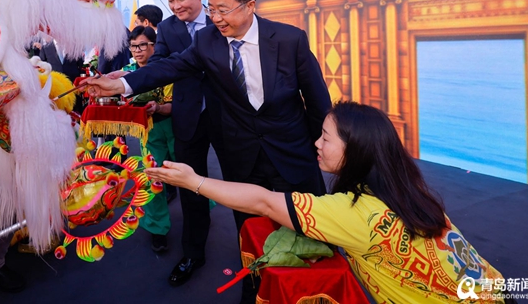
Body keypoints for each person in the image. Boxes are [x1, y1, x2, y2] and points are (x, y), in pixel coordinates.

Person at [87, 0, 331, 296]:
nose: (215, 17)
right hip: (242, 159)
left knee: (308, 234)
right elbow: (169, 67)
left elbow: (318, 103)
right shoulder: (205, 40)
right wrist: (120, 84)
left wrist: (323, 149)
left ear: (250, 5)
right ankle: (256, 291)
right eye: (212, 9)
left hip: (292, 155)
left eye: (223, 9)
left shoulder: (290, 40)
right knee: (252, 235)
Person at [146, 101, 507, 304]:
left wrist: (193, 181)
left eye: (325, 138)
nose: (316, 144)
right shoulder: (411, 191)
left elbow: (264, 203)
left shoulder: (356, 215)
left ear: (356, 151)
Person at [109, 0, 224, 287]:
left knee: (245, 182)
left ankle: (252, 250)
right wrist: (126, 80)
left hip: (228, 118)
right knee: (191, 189)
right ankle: (194, 254)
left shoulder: (221, 21)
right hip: (187, 120)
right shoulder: (170, 30)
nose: (174, 6)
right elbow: (159, 66)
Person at [122, 25, 175, 253]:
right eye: (133, 46)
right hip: (149, 132)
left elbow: (177, 104)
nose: (137, 50)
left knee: (191, 176)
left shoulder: (168, 68)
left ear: (154, 46)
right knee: (152, 179)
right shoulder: (127, 72)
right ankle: (157, 229)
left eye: (142, 45)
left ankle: (201, 212)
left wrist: (159, 107)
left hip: (176, 128)